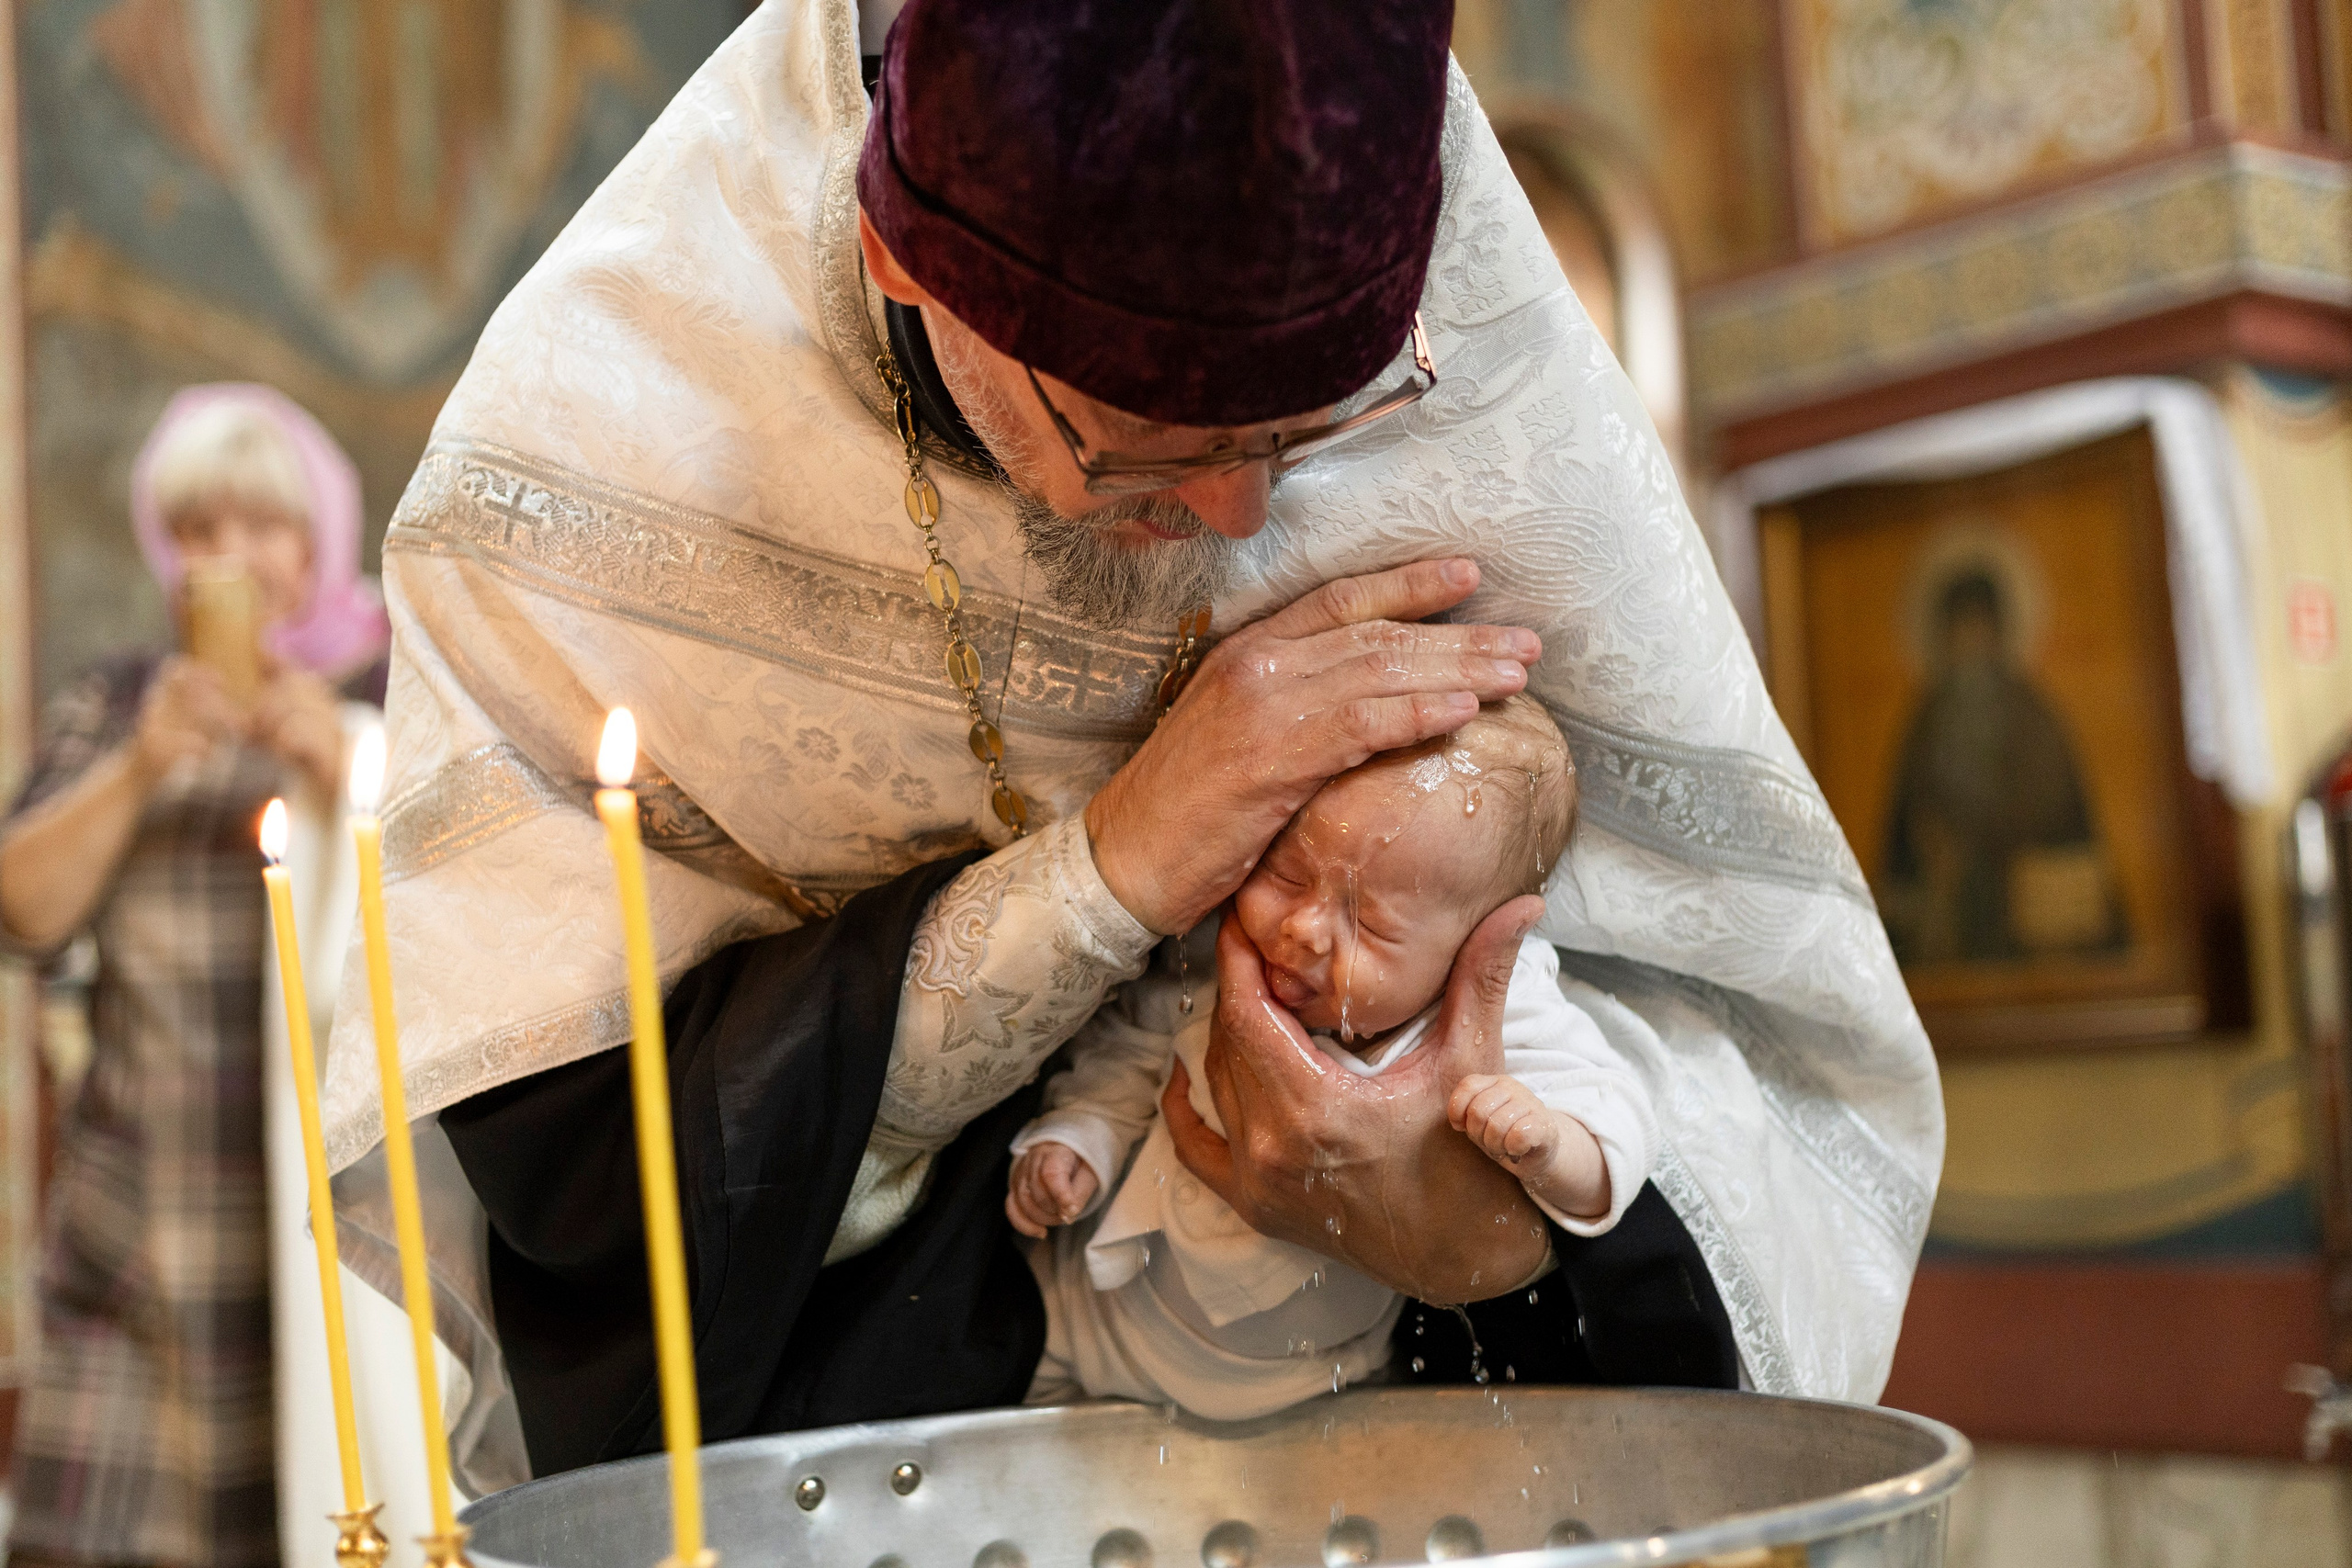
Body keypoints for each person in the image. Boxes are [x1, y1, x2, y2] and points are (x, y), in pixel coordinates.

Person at [319, 0, 1941, 1494]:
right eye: (1154, 447)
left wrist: (1496, 1231)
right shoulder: (610, 427)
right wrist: (1103, 875)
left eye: (1311, 431)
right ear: (907, 271)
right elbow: (585, 1195)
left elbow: (1736, 1016)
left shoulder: (1457, 332)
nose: (1241, 519)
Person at [1007, 696, 1657, 1420]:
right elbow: (1139, 1041)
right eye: (1284, 874)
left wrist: (1550, 1145)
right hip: (1095, 1308)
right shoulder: (1227, 960)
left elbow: (1615, 1117)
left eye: (1369, 921)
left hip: (1305, 1381)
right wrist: (1081, 1133)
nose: (1303, 929)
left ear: (1475, 943)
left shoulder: (1499, 1014)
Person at [0, 386, 388, 1568]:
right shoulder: (118, 704)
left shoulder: (387, 702)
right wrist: (137, 768)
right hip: (148, 1241)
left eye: (263, 526)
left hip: (332, 1239)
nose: (230, 558)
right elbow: (22, 912)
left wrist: (353, 777)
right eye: (197, 532)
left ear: (318, 540)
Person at [1881, 570, 2122, 963]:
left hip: (2032, 910)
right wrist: (1929, 845)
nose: (1970, 644)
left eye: (1980, 630)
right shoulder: (1925, 722)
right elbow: (1903, 831)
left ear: (2000, 633)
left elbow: (2059, 811)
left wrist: (1988, 841)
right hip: (1945, 915)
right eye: (1959, 631)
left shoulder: (2033, 715)